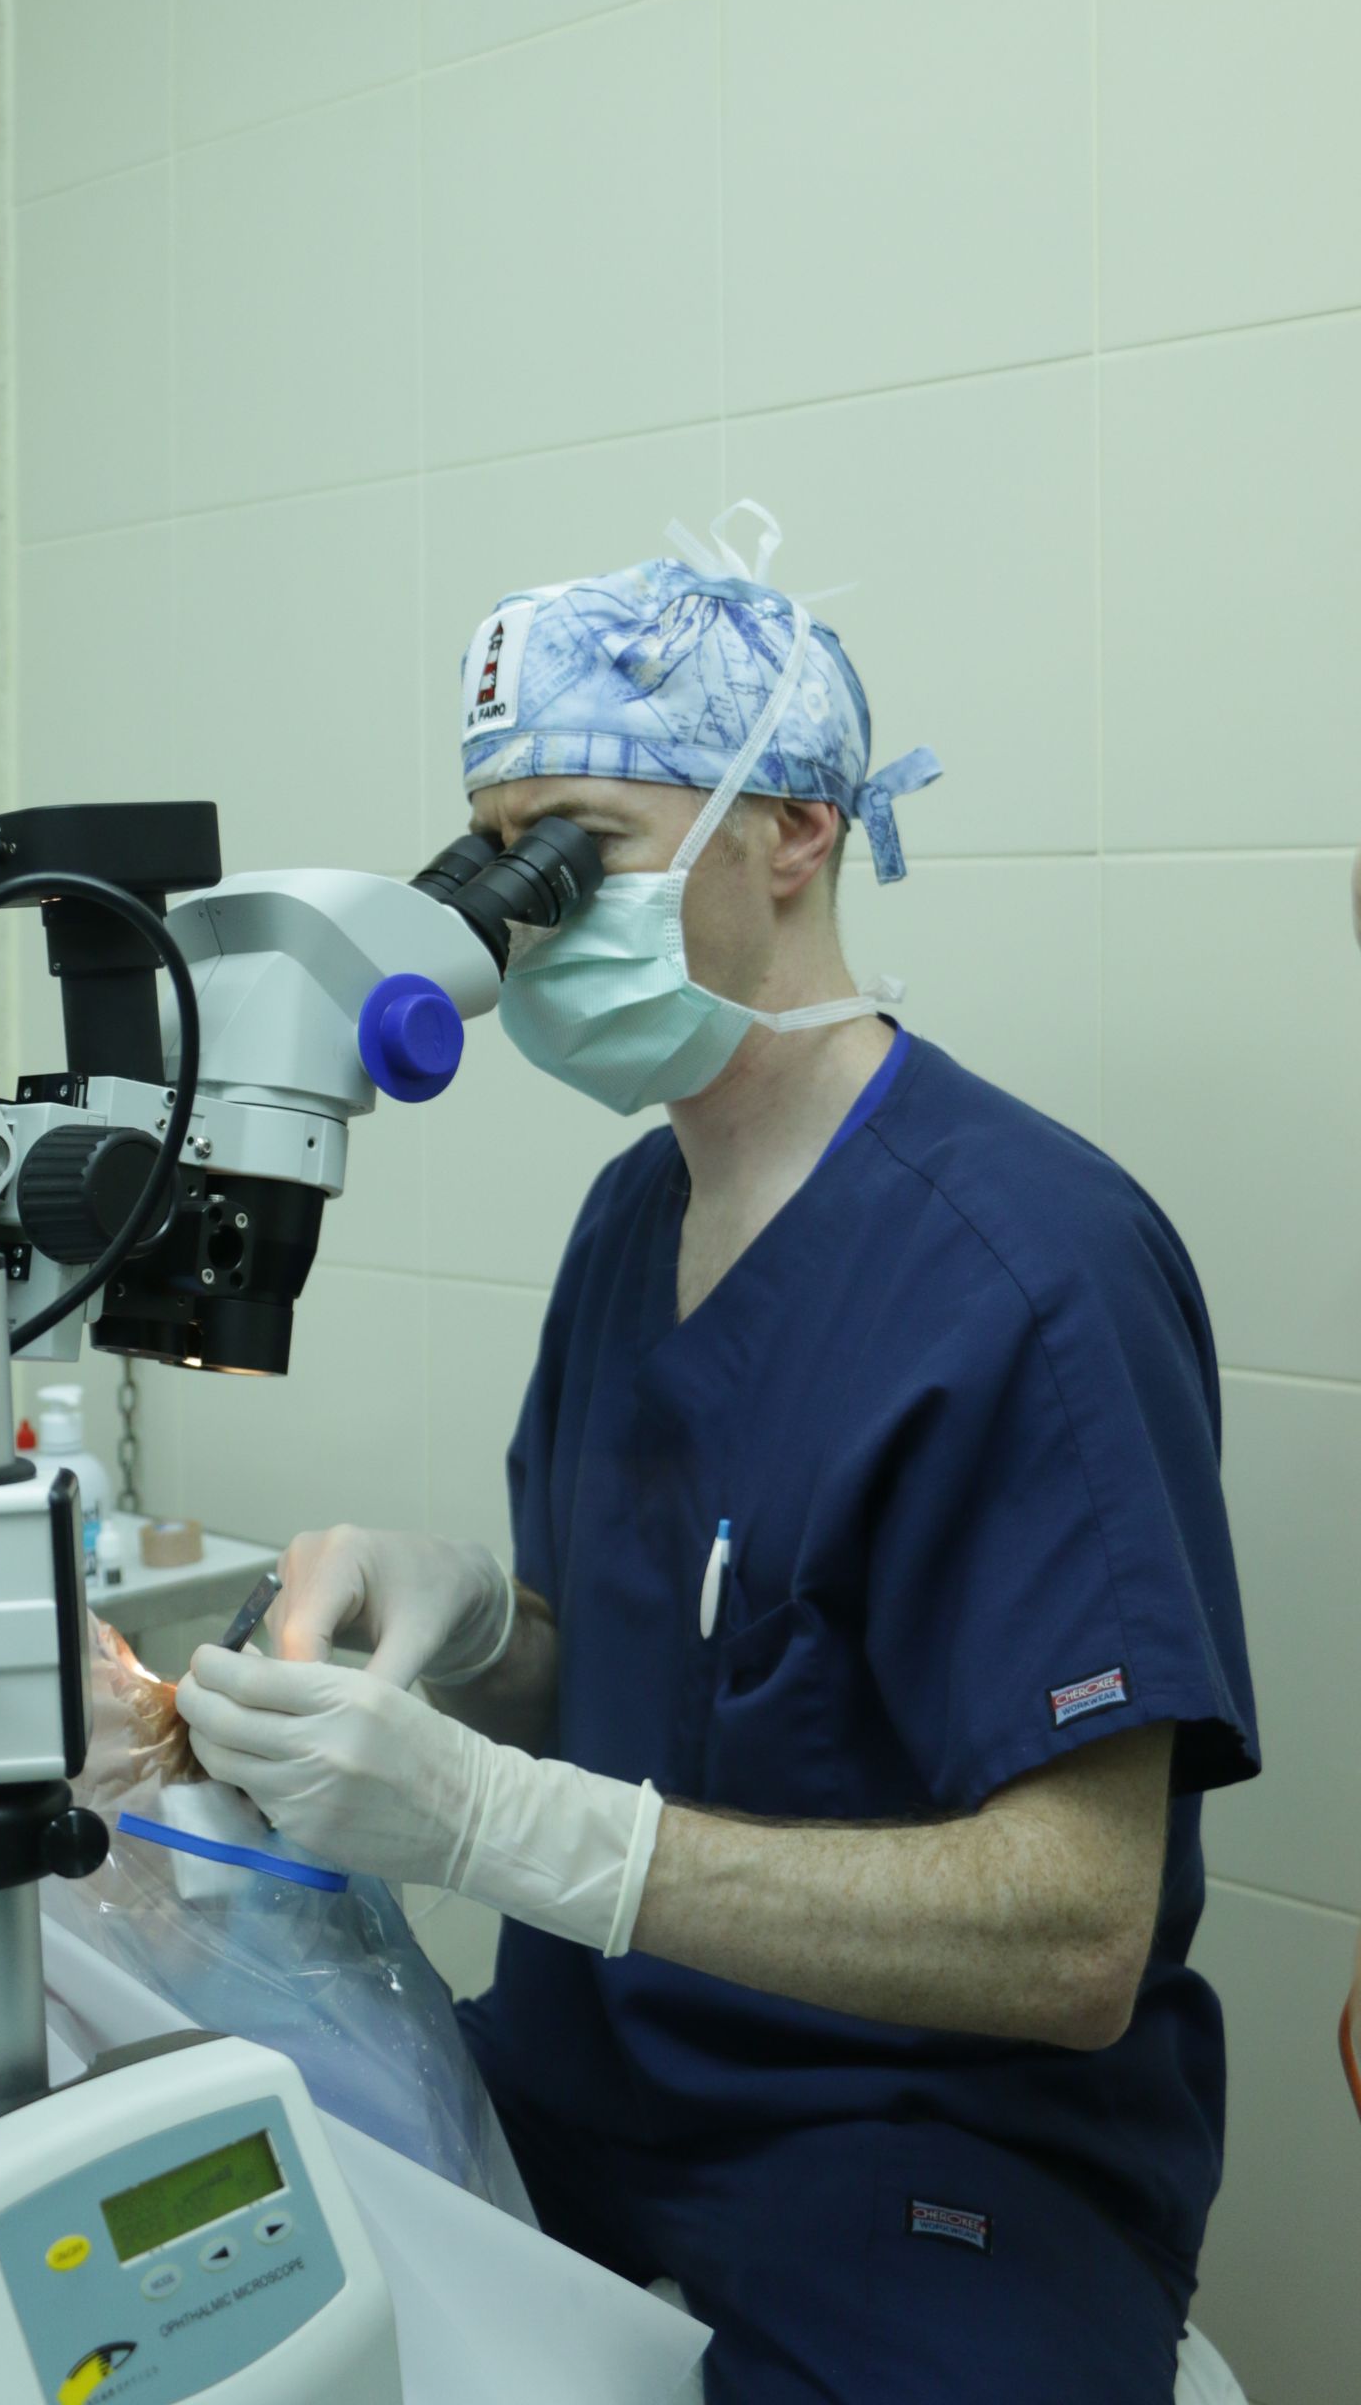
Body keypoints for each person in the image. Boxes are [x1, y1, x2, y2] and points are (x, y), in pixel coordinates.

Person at [177, 522, 1260, 2404]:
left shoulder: (1030, 1268)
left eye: (578, 847)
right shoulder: (632, 1221)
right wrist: (462, 1638)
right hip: (595, 2078)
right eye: (496, 853)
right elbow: (648, 1670)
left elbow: (1081, 1936)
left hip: (924, 2153)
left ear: (794, 831)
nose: (528, 916)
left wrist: (502, 1826)